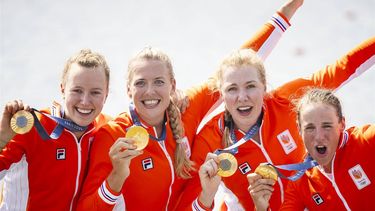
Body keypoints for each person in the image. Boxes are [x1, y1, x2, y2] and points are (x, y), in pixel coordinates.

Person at [76, 0, 302, 208]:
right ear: (128, 89)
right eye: (140, 83)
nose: (150, 91)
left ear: (172, 86)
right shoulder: (113, 136)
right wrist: (116, 177)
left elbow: (236, 69)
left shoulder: (187, 111)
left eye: (159, 82)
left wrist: (286, 13)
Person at [182, 36, 375, 210]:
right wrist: (207, 196)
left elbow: (346, 67)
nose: (242, 97)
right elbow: (183, 205)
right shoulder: (210, 140)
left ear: (264, 87)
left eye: (250, 86)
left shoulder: (286, 101)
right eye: (232, 89)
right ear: (221, 94)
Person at [0, 49, 111, 211]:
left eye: (95, 92)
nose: (85, 101)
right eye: (77, 90)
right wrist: (2, 139)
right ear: (62, 89)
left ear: (106, 95)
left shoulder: (106, 130)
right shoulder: (30, 126)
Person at [248, 88, 375, 210]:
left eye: (327, 126)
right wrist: (261, 207)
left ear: (342, 124)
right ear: (299, 129)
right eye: (310, 128)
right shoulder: (300, 181)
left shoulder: (366, 140)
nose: (319, 137)